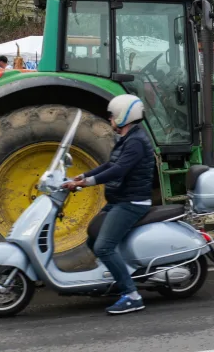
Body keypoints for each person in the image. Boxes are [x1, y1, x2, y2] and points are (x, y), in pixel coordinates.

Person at [62, 95, 155, 315]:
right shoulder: (126, 138)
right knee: (93, 238)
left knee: (104, 247)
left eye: (112, 115)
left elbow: (118, 170)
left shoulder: (136, 142)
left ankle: (132, 296)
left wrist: (86, 183)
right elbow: (109, 165)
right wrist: (80, 176)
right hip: (118, 200)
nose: (110, 119)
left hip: (132, 202)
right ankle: (118, 278)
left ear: (124, 116)